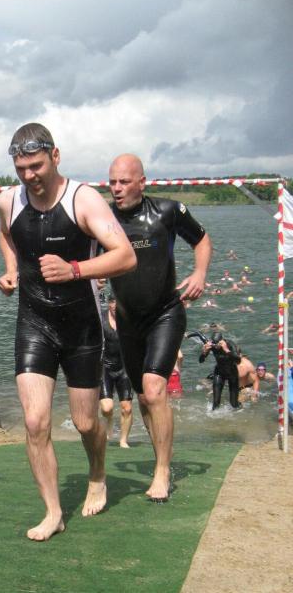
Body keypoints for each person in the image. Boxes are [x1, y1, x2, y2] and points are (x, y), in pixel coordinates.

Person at [0, 123, 136, 541]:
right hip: (33, 322)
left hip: (81, 326)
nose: (29, 176)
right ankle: (53, 511)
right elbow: (5, 234)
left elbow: (125, 256)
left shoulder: (83, 200)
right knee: (35, 420)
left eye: (36, 166)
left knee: (85, 422)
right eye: (21, 169)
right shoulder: (8, 200)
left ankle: (97, 473)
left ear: (55, 156)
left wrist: (74, 269)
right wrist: (10, 270)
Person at [108, 154, 212, 502]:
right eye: (112, 182)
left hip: (165, 313)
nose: (117, 188)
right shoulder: (103, 217)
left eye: (124, 182)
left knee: (154, 390)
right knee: (142, 397)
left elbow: (201, 240)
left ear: (142, 182)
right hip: (127, 319)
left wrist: (199, 273)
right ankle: (160, 458)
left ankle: (163, 472)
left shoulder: (168, 211)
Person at [99, 294, 133, 448]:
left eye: (118, 303)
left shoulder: (129, 320)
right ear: (109, 303)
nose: (115, 306)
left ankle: (123, 440)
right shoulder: (101, 318)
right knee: (107, 408)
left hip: (125, 367)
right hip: (104, 367)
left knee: (127, 408)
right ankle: (109, 420)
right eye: (113, 302)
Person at [199, 332, 241, 409]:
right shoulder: (212, 345)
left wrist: (226, 350)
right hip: (219, 372)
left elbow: (238, 361)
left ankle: (241, 409)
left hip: (232, 372)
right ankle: (213, 415)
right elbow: (201, 361)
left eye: (217, 344)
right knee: (216, 402)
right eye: (214, 344)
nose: (216, 346)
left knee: (234, 404)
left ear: (221, 341)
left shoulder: (230, 344)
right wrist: (204, 352)